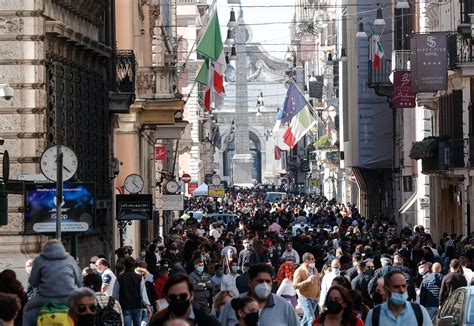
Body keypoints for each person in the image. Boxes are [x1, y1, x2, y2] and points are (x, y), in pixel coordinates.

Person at [22, 239, 82, 326]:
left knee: (27, 309)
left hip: (46, 297)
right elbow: (79, 281)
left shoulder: (40, 260)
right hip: (67, 297)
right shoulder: (70, 260)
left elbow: (33, 282)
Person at [218, 263, 299, 326]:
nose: (264, 285)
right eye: (260, 281)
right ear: (250, 283)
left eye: (268, 281)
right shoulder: (233, 305)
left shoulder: (284, 306)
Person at [149, 273, 220, 325]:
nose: (178, 300)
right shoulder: (157, 323)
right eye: (173, 297)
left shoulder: (209, 322)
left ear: (191, 295)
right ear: (167, 298)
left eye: (183, 296)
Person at [365, 270, 432, 326]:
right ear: (386, 289)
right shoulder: (374, 315)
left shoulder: (419, 311)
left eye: (404, 286)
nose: (402, 290)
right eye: (396, 287)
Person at [117, 256, 151, 326]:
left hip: (125, 306)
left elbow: (116, 294)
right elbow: (143, 293)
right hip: (137, 306)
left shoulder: (119, 278)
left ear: (124, 265)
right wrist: (148, 307)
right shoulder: (139, 278)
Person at [293, 253, 320, 326]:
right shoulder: (299, 271)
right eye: (311, 259)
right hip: (304, 297)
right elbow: (295, 286)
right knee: (311, 319)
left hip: (314, 298)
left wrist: (318, 294)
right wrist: (307, 281)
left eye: (313, 259)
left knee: (305, 319)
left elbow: (318, 282)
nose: (314, 260)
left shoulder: (315, 269)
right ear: (305, 261)